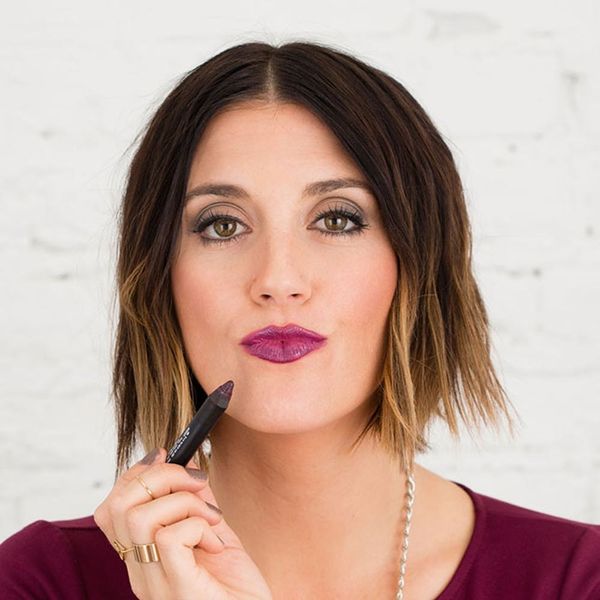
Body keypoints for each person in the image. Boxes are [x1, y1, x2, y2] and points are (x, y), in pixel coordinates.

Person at [0, 39, 598, 600]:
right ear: (159, 277)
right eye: (222, 225)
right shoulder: (38, 582)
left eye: (337, 220)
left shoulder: (575, 580)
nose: (278, 279)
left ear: (419, 263)